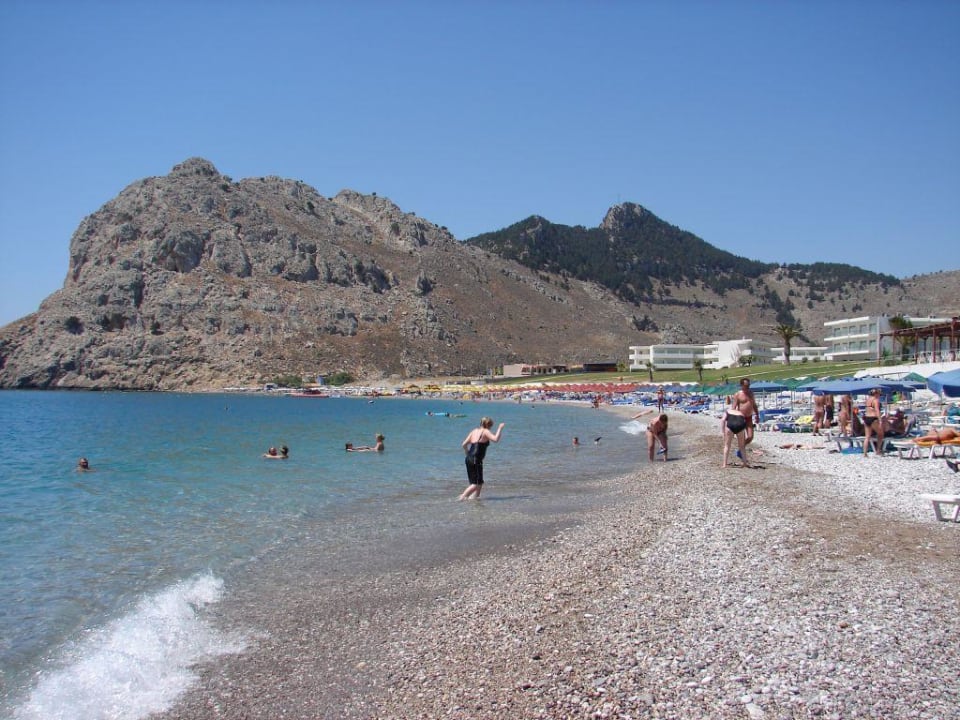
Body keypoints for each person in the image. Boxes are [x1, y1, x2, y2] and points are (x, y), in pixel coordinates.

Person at [458, 417, 505, 500]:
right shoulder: (485, 431)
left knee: (478, 482)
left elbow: (464, 444)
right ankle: (462, 497)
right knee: (476, 484)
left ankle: (475, 499)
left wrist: (467, 453)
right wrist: (500, 428)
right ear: (489, 425)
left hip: (469, 459)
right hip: (476, 460)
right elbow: (495, 439)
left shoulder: (474, 431)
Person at [722, 396, 752, 468]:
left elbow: (723, 420)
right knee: (741, 446)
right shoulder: (741, 413)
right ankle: (744, 463)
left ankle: (724, 464)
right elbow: (744, 422)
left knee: (727, 445)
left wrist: (723, 432)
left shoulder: (728, 411)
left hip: (730, 425)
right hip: (740, 425)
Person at [733, 378, 760, 454]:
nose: (748, 386)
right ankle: (741, 453)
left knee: (750, 437)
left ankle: (740, 448)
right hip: (740, 418)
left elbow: (754, 405)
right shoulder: (737, 394)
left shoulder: (751, 393)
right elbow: (733, 407)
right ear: (742, 385)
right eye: (746, 385)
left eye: (748, 385)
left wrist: (757, 415)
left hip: (749, 417)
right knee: (742, 437)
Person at [862, 388, 884, 456]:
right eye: (879, 394)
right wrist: (880, 420)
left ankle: (865, 453)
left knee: (867, 437)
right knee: (880, 434)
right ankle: (878, 450)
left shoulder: (867, 400)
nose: (879, 396)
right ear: (876, 394)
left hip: (867, 418)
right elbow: (877, 410)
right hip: (873, 418)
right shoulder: (876, 400)